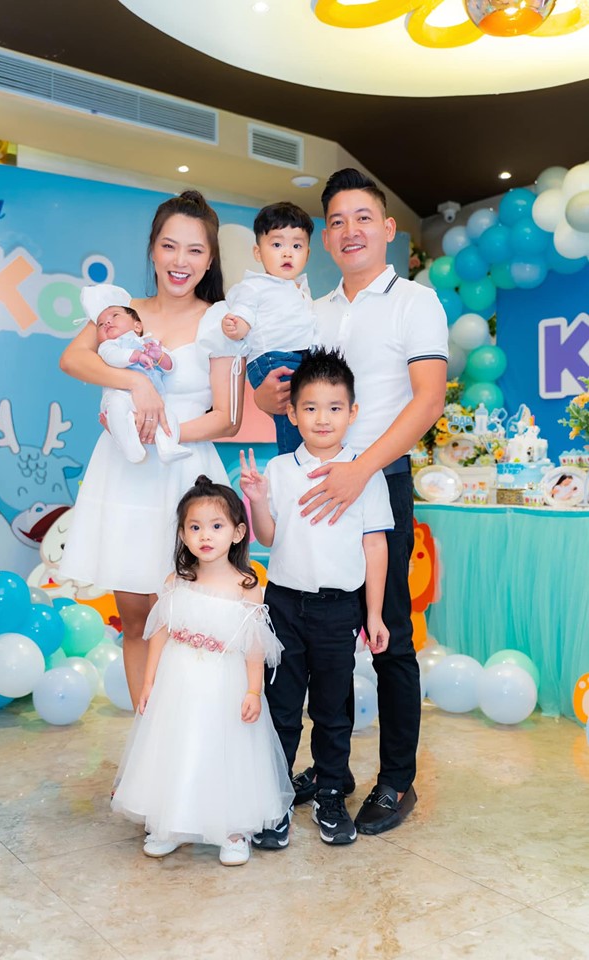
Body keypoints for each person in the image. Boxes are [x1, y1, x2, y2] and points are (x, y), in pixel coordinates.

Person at [253, 169, 448, 835]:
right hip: (314, 488)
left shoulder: (415, 302)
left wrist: (359, 470)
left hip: (377, 482)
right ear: (325, 236)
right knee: (311, 641)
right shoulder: (314, 310)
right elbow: (286, 394)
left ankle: (396, 780)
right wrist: (265, 396)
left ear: (388, 228)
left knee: (387, 633)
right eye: (335, 221)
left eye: (362, 217)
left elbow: (428, 399)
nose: (349, 230)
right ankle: (327, 769)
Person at [59, 190, 246, 708]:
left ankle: (191, 732)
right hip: (125, 475)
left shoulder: (221, 321)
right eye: (169, 246)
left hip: (187, 477)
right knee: (137, 616)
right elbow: (73, 359)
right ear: (152, 249)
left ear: (209, 259)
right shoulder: (122, 313)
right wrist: (136, 384)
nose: (180, 261)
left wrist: (164, 429)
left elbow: (228, 418)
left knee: (191, 612)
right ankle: (149, 735)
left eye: (194, 250)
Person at [240, 348, 394, 847]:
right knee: (281, 709)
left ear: (352, 412)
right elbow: (268, 537)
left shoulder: (365, 473)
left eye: (334, 407)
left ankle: (330, 794)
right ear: (292, 413)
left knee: (332, 711)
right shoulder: (280, 468)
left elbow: (375, 546)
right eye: (310, 407)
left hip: (338, 609)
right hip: (284, 605)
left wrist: (374, 614)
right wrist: (258, 501)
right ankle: (276, 798)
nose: (322, 418)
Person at [111, 475, 294, 867]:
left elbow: (254, 645)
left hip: (225, 683)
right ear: (182, 534)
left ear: (238, 532)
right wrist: (149, 682)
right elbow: (159, 633)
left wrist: (253, 690)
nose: (205, 536)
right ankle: (172, 823)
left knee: (224, 749)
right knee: (177, 746)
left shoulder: (247, 585)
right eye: (194, 527)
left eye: (216, 526)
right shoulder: (176, 581)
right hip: (178, 680)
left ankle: (232, 830)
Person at [222, 201, 317, 454]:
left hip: (299, 359)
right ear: (258, 252)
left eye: (296, 246)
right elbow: (243, 310)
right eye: (277, 245)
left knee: (306, 415)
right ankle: (291, 458)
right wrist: (237, 325)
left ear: (307, 254)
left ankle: (303, 457)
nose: (287, 253)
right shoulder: (255, 285)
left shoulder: (301, 290)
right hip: (273, 359)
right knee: (291, 413)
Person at [80, 283, 190, 465]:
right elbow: (113, 358)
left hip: (152, 402)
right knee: (117, 409)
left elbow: (171, 367)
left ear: (137, 326)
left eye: (115, 315)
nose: (107, 322)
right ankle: (129, 447)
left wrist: (160, 356)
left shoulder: (148, 343)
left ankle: (168, 447)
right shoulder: (108, 346)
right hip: (121, 395)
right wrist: (136, 356)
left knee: (168, 417)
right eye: (100, 324)